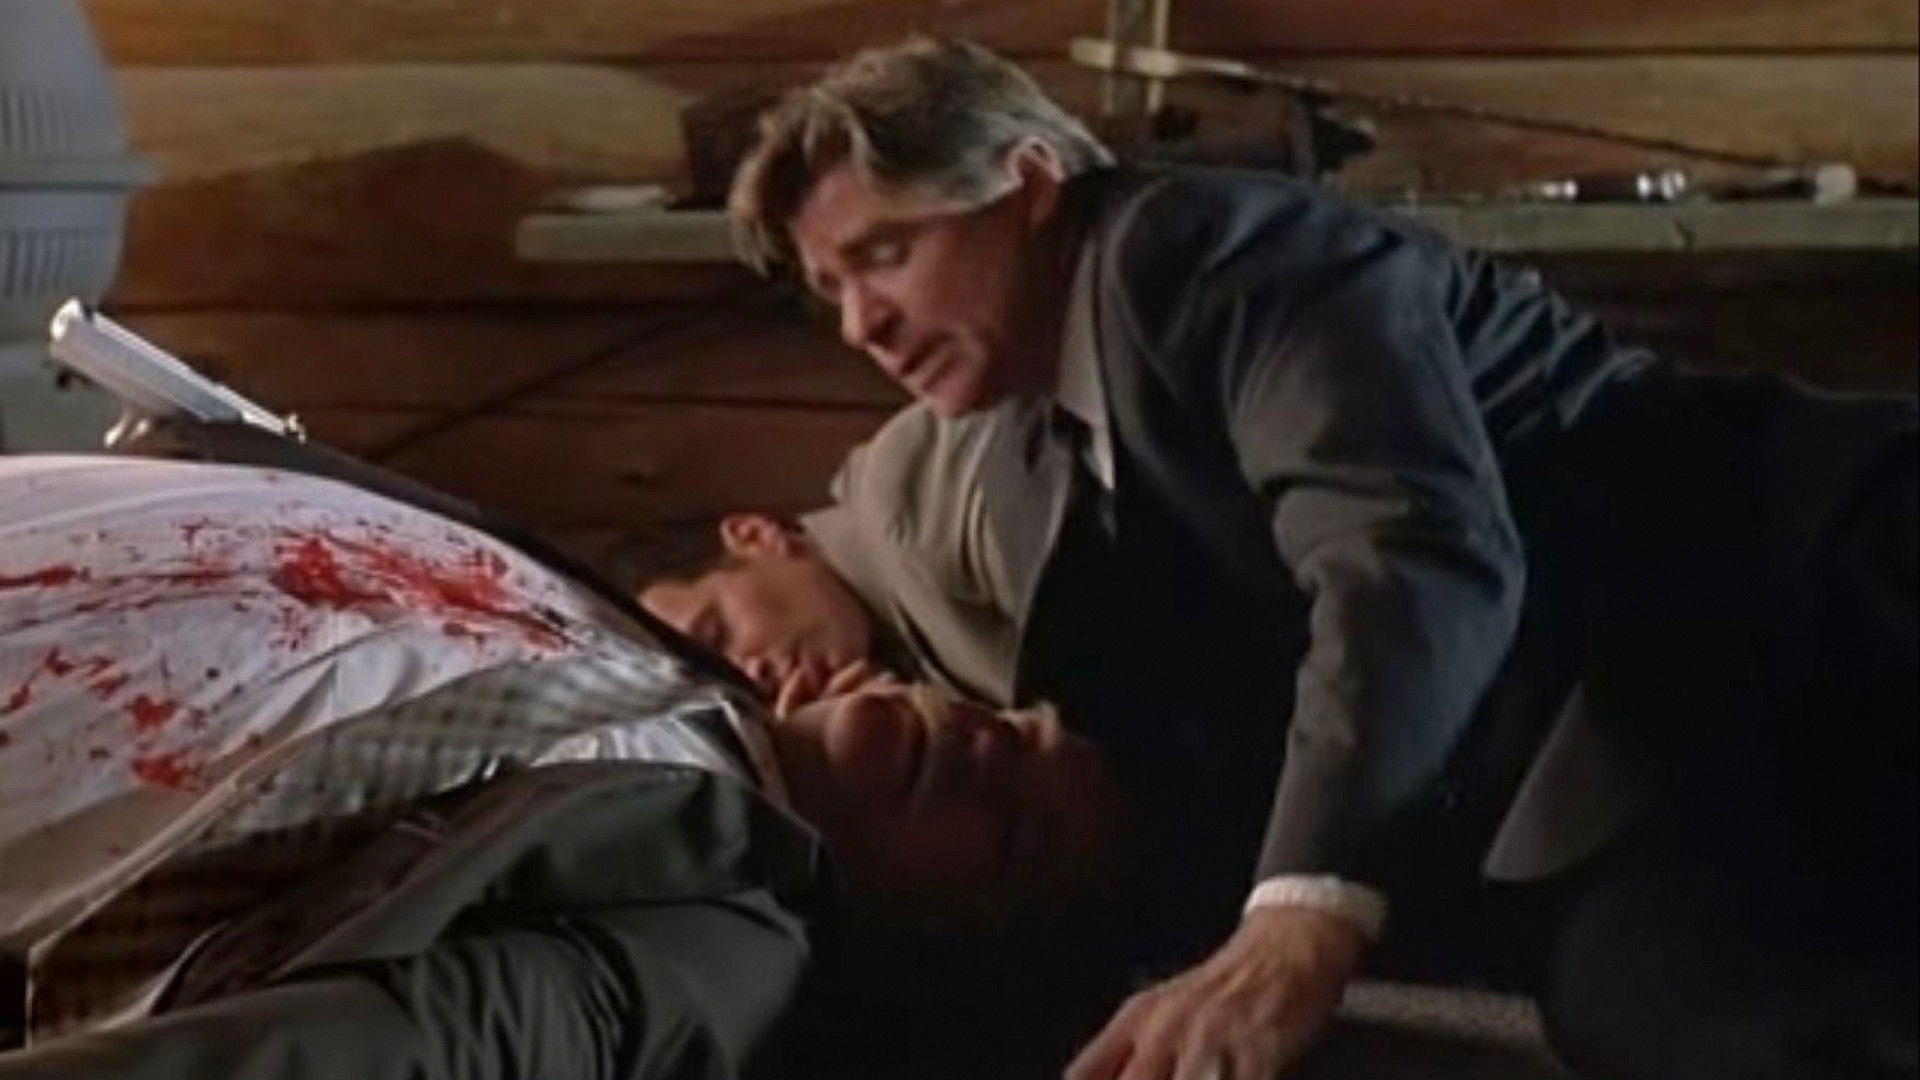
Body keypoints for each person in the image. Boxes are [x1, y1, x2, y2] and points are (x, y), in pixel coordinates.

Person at [684, 35, 1918, 1080]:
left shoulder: (1200, 251)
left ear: (1030, 184)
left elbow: (1406, 542)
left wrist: (1303, 916)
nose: (862, 323)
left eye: (884, 255)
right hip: (1604, 743)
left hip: (1796, 547)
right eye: (832, 290)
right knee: (1673, 1013)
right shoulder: (1025, 453)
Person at [0, 451, 1130, 1079]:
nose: (993, 751)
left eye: (1017, 833)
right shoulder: (682, 675)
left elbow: (394, 1055)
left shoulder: (720, 954)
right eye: (1016, 723)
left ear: (941, 928)